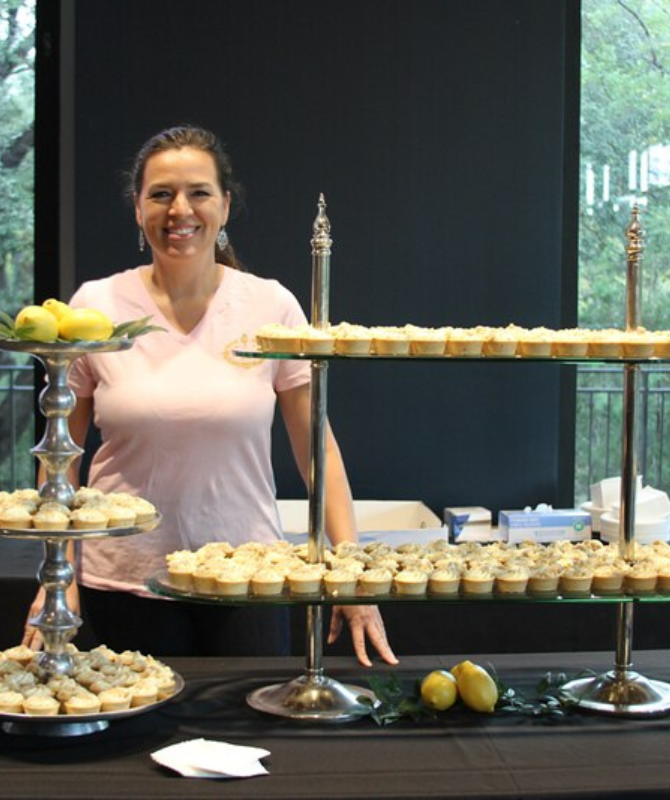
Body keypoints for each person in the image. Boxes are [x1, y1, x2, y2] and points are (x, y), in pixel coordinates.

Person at [23, 125, 397, 667]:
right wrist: (57, 577)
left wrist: (353, 575)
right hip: (122, 579)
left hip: (249, 579)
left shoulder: (270, 305)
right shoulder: (95, 306)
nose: (181, 210)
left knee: (253, 740)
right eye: (161, 194)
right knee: (138, 743)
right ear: (137, 208)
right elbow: (61, 458)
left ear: (224, 205)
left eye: (198, 192)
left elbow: (319, 452)